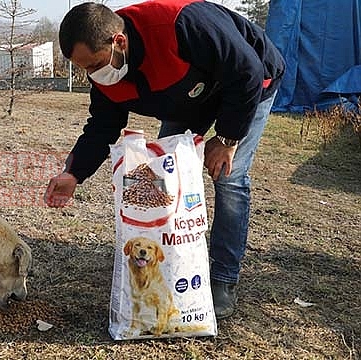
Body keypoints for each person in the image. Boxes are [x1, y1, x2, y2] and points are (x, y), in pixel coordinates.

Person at [44, 0, 285, 319]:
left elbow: (247, 71)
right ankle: (174, 259)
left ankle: (224, 279)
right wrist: (73, 173)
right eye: (84, 69)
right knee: (164, 177)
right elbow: (102, 127)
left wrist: (227, 138)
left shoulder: (182, 25)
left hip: (251, 82)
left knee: (228, 177)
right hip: (189, 99)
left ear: (119, 41)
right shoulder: (106, 75)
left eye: (94, 65)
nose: (93, 75)